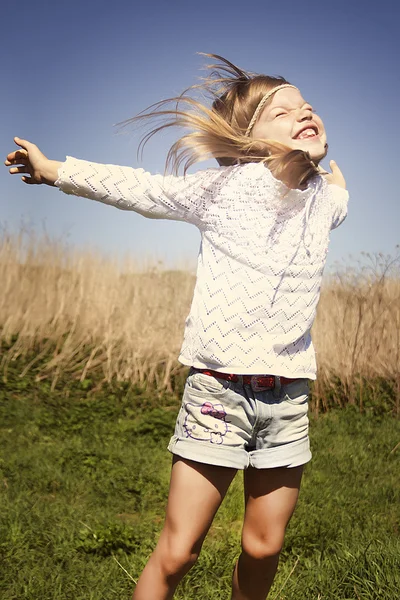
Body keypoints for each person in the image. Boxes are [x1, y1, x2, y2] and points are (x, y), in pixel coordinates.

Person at [5, 54, 348, 600]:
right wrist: (55, 171)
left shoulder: (325, 201)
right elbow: (141, 189)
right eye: (282, 110)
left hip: (288, 399)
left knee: (264, 547)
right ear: (247, 139)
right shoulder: (225, 190)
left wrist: (338, 185)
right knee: (181, 548)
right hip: (218, 392)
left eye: (307, 105)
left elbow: (337, 206)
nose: (304, 111)